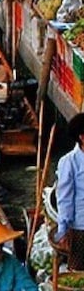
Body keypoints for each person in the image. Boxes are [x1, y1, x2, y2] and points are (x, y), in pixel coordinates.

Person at [54, 113, 84, 270]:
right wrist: (62, 231)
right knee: (78, 272)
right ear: (82, 137)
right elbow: (64, 199)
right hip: (80, 228)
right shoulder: (69, 162)